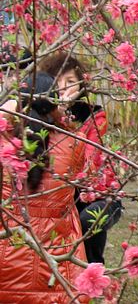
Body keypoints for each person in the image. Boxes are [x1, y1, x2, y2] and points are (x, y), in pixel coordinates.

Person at [0, 60, 89, 303]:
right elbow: (82, 176)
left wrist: (12, 105)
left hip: (7, 255)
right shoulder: (74, 141)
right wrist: (60, 114)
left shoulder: (4, 138)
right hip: (56, 263)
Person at [40, 51, 123, 265]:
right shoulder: (38, 116)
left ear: (80, 86)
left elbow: (87, 161)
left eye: (71, 82)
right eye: (58, 81)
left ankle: (94, 273)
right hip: (60, 194)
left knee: (88, 222)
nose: (64, 87)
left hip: (97, 195)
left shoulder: (94, 116)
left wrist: (63, 115)